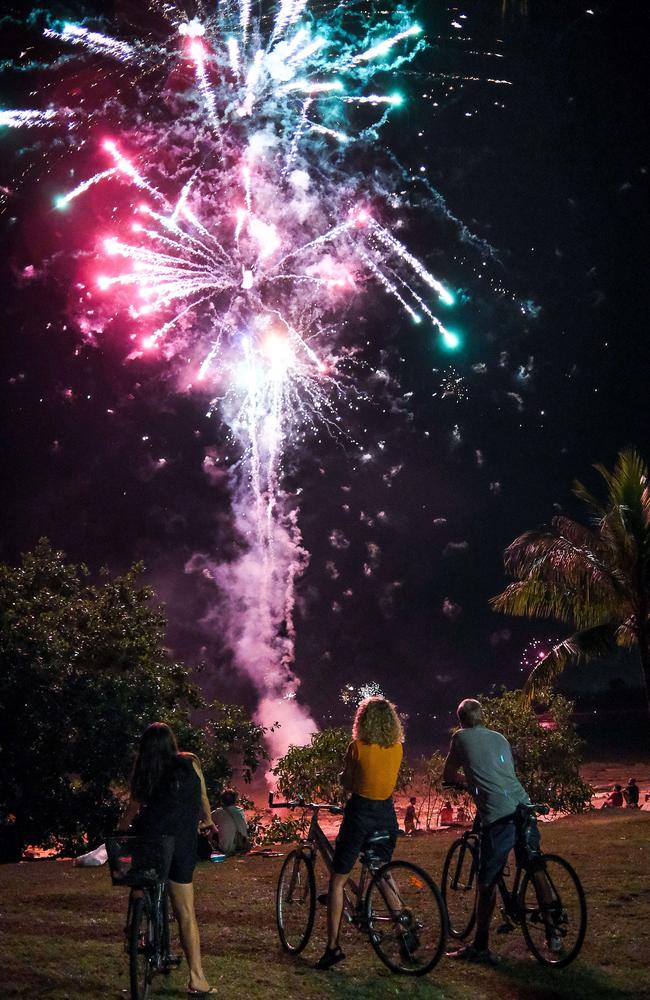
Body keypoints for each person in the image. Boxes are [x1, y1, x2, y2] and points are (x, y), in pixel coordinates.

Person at [443, 698, 558, 964]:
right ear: (481, 717)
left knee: (486, 883)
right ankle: (553, 933)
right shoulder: (499, 737)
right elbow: (503, 772)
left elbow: (448, 774)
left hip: (497, 815)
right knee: (535, 867)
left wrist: (467, 781)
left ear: (460, 720)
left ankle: (480, 946)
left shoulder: (460, 738)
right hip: (523, 805)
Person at [119, 722, 218, 996]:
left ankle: (139, 905)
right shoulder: (190, 762)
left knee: (140, 874)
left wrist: (119, 830)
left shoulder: (145, 770)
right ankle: (197, 978)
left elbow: (132, 810)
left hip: (151, 841)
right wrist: (207, 821)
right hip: (182, 845)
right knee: (186, 913)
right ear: (172, 743)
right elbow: (202, 797)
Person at [315, 696, 403, 970]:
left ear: (362, 721)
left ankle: (332, 947)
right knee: (382, 871)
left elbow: (349, 780)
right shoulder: (398, 747)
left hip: (361, 812)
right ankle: (404, 926)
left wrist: (344, 777)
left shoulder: (357, 746)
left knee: (338, 881)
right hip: (386, 814)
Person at [211, 789, 250, 855]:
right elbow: (246, 827)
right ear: (235, 800)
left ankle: (213, 848)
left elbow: (207, 821)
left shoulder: (218, 812)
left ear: (221, 800)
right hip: (241, 846)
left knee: (209, 827)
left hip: (225, 849)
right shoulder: (240, 811)